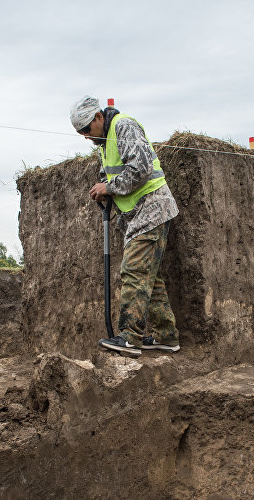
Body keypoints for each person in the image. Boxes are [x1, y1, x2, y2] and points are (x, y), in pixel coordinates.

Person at [69, 95, 180, 357]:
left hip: (153, 209)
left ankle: (130, 337)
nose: (85, 135)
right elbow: (111, 171)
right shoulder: (104, 140)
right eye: (80, 133)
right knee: (149, 280)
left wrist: (108, 187)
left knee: (133, 271)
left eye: (87, 129)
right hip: (138, 215)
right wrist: (104, 187)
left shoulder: (123, 126)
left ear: (98, 117)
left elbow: (139, 169)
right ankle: (167, 337)